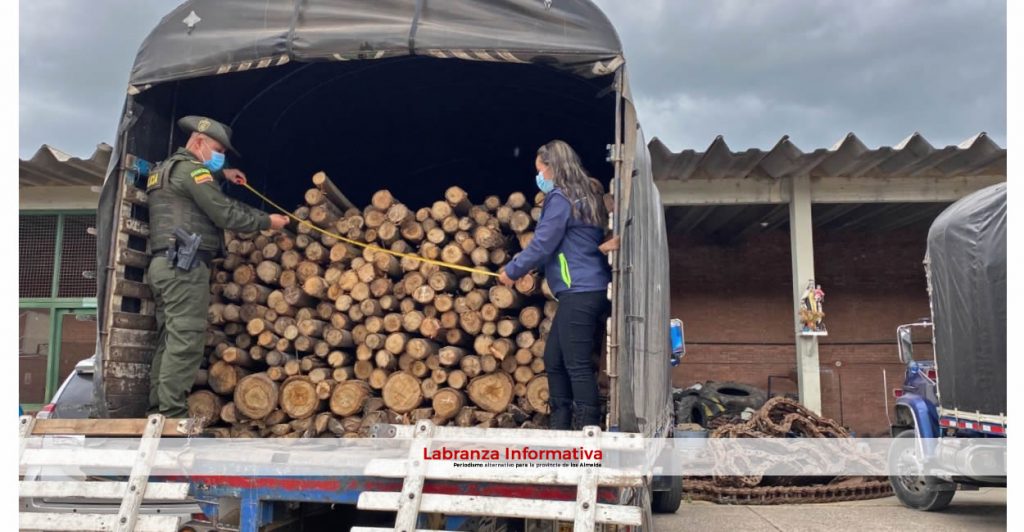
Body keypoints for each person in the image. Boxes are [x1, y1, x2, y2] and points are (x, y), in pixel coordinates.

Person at [145, 115, 289, 417]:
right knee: (185, 340)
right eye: (216, 149)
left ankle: (158, 413)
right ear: (197, 142)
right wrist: (267, 221)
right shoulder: (194, 172)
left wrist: (223, 173)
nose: (219, 156)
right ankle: (171, 416)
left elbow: (189, 191)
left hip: (163, 265)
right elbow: (224, 213)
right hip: (183, 266)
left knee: (168, 339)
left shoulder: (165, 170)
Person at [498, 140, 613, 429]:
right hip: (584, 289)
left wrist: (512, 271)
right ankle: (559, 426)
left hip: (581, 289)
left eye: (540, 171)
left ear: (553, 168)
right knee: (554, 358)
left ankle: (588, 431)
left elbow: (543, 242)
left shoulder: (561, 198)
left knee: (575, 364)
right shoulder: (584, 196)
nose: (539, 178)